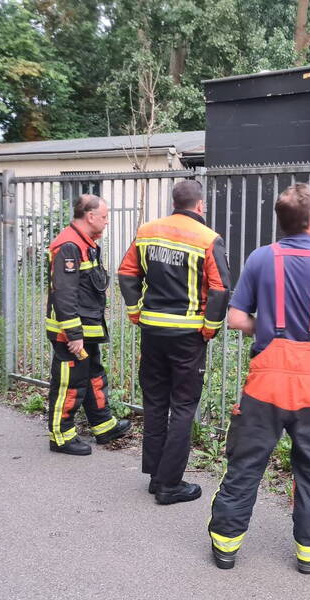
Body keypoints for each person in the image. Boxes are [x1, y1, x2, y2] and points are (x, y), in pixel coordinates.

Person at [208, 183, 310, 574]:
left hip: (266, 380)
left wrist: (267, 330)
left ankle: (225, 546)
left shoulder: (261, 258)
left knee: (246, 463)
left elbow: (236, 318)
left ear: (280, 221)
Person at [118, 180, 231, 505]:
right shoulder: (208, 238)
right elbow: (220, 288)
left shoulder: (147, 231)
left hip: (153, 331)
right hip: (187, 336)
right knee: (182, 407)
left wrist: (135, 311)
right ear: (200, 205)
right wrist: (210, 329)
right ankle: (169, 485)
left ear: (174, 202)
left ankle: (156, 476)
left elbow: (126, 273)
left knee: (155, 402)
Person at [46, 195, 131, 456]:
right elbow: (65, 294)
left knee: (93, 375)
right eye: (104, 217)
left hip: (86, 328)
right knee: (69, 383)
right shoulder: (69, 246)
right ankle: (61, 436)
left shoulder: (86, 243)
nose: (107, 222)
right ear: (90, 216)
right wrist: (73, 334)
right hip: (72, 332)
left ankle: (103, 426)